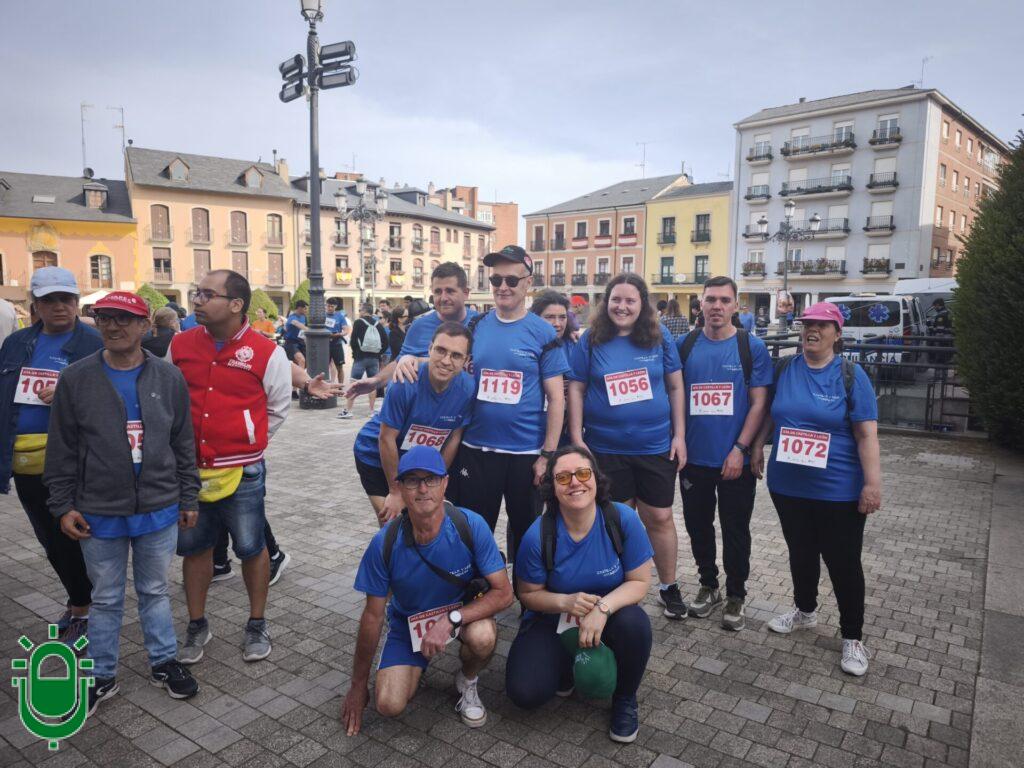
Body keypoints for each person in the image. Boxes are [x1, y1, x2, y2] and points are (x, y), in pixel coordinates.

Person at [45, 291, 201, 712]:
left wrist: (189, 495)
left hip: (158, 506)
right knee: (108, 595)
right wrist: (63, 506)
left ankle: (164, 661)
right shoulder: (77, 378)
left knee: (154, 589)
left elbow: (183, 441)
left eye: (124, 319)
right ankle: (101, 675)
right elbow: (60, 448)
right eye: (105, 318)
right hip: (98, 509)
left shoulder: (168, 378)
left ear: (145, 325)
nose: (113, 326)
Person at [342, 446, 513, 734]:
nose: (423, 489)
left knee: (483, 636)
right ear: (400, 488)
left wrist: (451, 619)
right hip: (409, 622)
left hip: (460, 617)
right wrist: (357, 685)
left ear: (445, 483)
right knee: (388, 704)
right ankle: (416, 664)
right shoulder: (384, 543)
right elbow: (372, 617)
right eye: (412, 480)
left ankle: (467, 682)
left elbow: (504, 593)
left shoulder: (469, 525)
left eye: (431, 479)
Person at [751, 301, 881, 676]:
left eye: (823, 325)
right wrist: (759, 443)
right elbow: (772, 414)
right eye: (807, 323)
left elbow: (866, 434)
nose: (813, 330)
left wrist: (872, 483)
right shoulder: (785, 368)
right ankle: (805, 610)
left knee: (842, 562)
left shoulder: (851, 376)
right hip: (788, 485)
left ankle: (853, 637)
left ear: (837, 334)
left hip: (838, 488)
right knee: (801, 552)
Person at [169, 270, 291, 664]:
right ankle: (196, 623)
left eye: (208, 294)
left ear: (236, 304)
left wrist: (247, 439)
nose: (198, 301)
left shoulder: (267, 351)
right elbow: (169, 399)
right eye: (197, 292)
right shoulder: (179, 345)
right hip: (189, 471)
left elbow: (277, 408)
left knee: (251, 547)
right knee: (195, 549)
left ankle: (257, 623)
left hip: (244, 470)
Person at [507, 446, 654, 743]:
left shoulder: (621, 519)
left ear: (596, 479)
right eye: (563, 477)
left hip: (611, 616)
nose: (575, 482)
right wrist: (565, 602)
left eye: (583, 473)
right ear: (552, 487)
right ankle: (565, 665)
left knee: (635, 624)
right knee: (525, 693)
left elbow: (639, 582)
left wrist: (602, 609)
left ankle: (625, 699)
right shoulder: (538, 535)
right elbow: (527, 594)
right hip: (553, 619)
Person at [567, 273, 687, 618]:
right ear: (606, 304)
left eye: (630, 300)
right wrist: (577, 437)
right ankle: (616, 588)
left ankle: (668, 585)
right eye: (615, 300)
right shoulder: (590, 339)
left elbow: (676, 387)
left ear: (642, 304)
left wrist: (679, 435)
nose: (622, 306)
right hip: (605, 448)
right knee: (615, 519)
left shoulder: (658, 335)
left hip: (655, 446)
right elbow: (575, 387)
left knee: (660, 517)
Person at [0, 267, 101, 644]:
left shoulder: (94, 342)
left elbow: (115, 398)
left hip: (73, 460)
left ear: (76, 302)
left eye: (67, 299)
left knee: (73, 536)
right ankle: (80, 601)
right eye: (49, 300)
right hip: (24, 461)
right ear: (35, 305)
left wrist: (69, 390)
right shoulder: (16, 343)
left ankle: (86, 608)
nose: (60, 306)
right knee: (49, 538)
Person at [449, 245, 568, 562]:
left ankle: (531, 602)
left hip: (525, 456)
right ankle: (477, 594)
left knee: (529, 537)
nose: (503, 287)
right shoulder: (477, 326)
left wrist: (547, 455)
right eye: (496, 279)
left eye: (512, 281)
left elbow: (557, 398)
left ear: (528, 283)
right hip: (477, 451)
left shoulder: (543, 332)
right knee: (474, 532)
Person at [676, 277, 773, 630]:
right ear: (700, 304)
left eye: (724, 300)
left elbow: (760, 403)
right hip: (693, 460)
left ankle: (736, 594)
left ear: (736, 306)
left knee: (735, 529)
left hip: (736, 460)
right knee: (698, 526)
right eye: (710, 299)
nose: (717, 306)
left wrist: (741, 449)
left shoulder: (752, 347)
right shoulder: (682, 345)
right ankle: (708, 585)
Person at [353, 322, 476, 525]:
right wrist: (395, 491)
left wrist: (437, 480)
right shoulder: (405, 382)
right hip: (375, 455)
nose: (446, 361)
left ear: (466, 360)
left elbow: (454, 437)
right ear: (429, 349)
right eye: (441, 350)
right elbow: (386, 438)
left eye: (456, 355)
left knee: (427, 521)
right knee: (394, 524)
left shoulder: (468, 388)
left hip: (416, 460)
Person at [347, 262, 477, 395]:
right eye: (438, 292)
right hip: (428, 409)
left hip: (471, 410)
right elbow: (400, 363)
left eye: (450, 291)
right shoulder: (419, 327)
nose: (443, 298)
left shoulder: (482, 324)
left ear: (466, 293)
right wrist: (376, 381)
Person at [340, 302, 388, 419]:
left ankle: (348, 410)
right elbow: (386, 342)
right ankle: (371, 411)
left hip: (360, 358)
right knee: (372, 385)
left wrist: (355, 354)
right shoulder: (378, 324)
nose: (359, 311)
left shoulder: (358, 322)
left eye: (360, 310)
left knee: (354, 383)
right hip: (374, 359)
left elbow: (354, 341)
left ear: (364, 311)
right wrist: (378, 353)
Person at [325, 297, 350, 384]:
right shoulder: (322, 315)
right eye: (328, 306)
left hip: (337, 344)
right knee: (324, 367)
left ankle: (340, 386)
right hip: (324, 344)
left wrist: (339, 334)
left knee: (339, 367)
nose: (330, 308)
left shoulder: (340, 316)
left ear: (335, 306)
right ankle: (325, 385)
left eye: (332, 306)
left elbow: (346, 330)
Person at [282, 300, 309, 368]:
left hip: (301, 342)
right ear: (300, 308)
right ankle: (301, 378)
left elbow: (304, 330)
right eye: (305, 308)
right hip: (291, 343)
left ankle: (295, 376)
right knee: (301, 360)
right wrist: (311, 331)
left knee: (307, 362)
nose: (307, 310)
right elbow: (296, 323)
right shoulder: (292, 318)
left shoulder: (304, 317)